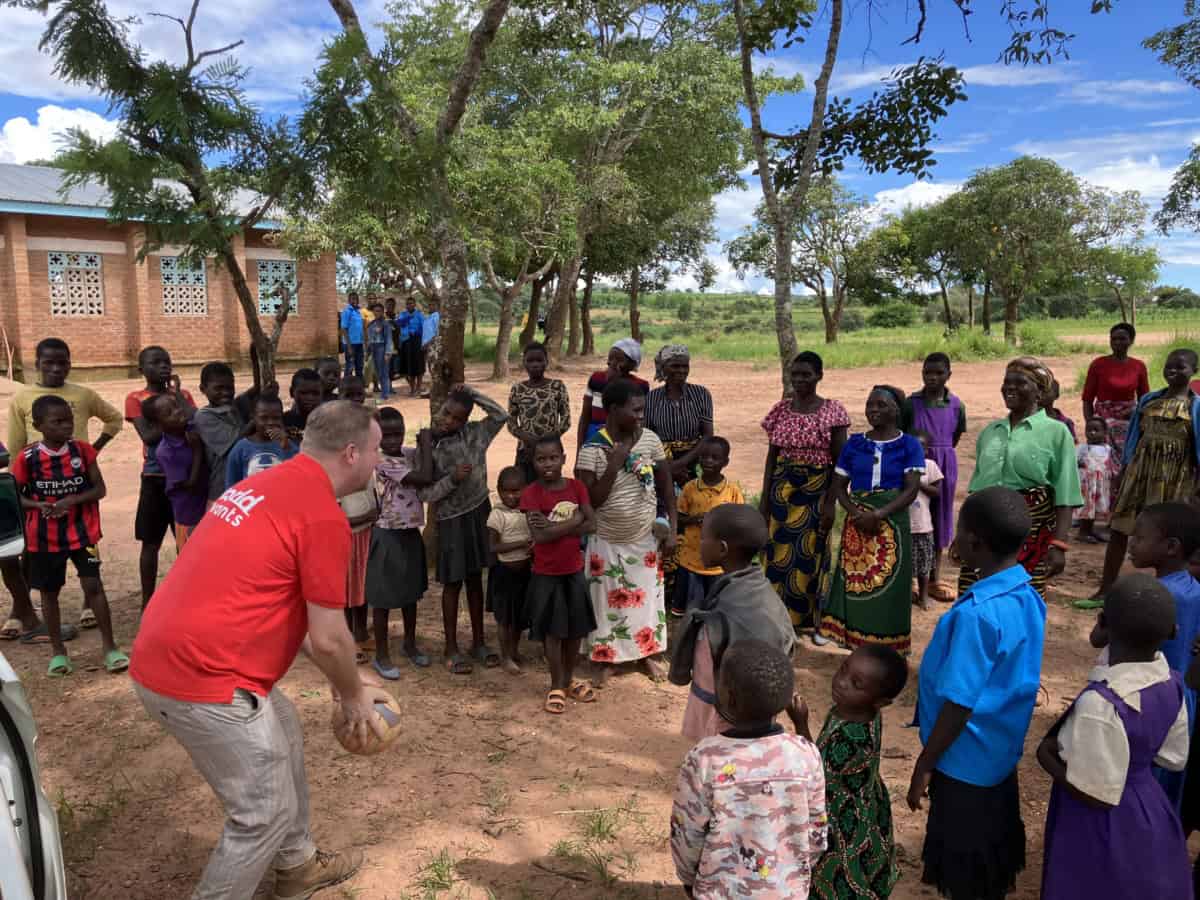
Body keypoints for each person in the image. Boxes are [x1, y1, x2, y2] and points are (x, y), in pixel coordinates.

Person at [130, 401, 385, 900]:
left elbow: (305, 625)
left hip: (164, 659)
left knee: (283, 728)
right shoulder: (320, 516)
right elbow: (332, 636)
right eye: (375, 451)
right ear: (352, 453)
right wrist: (353, 696)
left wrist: (346, 683)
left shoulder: (262, 484)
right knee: (261, 814)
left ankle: (297, 866)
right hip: (202, 679)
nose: (378, 462)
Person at [908, 487, 1045, 900]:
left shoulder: (976, 615)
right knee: (989, 859)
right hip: (998, 756)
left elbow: (960, 702)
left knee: (964, 869)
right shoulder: (1028, 596)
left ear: (972, 542)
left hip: (962, 761)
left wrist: (925, 764)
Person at [1038, 573, 1190, 900]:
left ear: (1103, 623)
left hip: (1102, 822)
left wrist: (1047, 759)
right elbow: (1173, 758)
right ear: (1173, 632)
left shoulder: (1102, 703)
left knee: (1092, 882)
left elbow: (1096, 794)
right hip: (1149, 811)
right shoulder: (1173, 683)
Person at [670, 640, 826, 899]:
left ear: (728, 697)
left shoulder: (705, 759)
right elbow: (817, 831)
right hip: (788, 890)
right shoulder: (805, 754)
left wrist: (688, 878)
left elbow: (687, 832)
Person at [10, 396, 127, 677]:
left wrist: (71, 501)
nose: (66, 426)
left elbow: (99, 490)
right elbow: (16, 495)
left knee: (94, 586)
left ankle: (110, 648)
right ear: (39, 426)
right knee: (50, 593)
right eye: (57, 421)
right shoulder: (27, 458)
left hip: (84, 533)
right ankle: (58, 653)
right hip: (44, 537)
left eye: (69, 420)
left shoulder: (84, 452)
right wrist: (39, 506)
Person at [576, 377, 676, 683]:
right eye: (635, 410)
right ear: (614, 409)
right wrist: (614, 464)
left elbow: (666, 487)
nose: (640, 416)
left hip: (644, 538)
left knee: (644, 600)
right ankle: (606, 659)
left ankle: (645, 655)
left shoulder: (650, 440)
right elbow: (590, 500)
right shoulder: (592, 449)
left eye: (642, 410)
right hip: (606, 540)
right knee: (607, 602)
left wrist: (672, 527)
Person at [789, 645, 909, 899]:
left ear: (880, 701)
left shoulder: (851, 737)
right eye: (844, 670)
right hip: (865, 803)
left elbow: (816, 770)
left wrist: (800, 723)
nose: (842, 683)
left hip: (843, 819)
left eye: (856, 683)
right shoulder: (861, 712)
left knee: (838, 874)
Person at [669, 503, 795, 742]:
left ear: (722, 549)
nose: (699, 543)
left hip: (732, 711)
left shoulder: (734, 608)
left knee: (723, 761)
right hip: (737, 704)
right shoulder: (756, 591)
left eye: (704, 537)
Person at [959, 357, 1081, 600]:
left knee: (1022, 599)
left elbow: (1065, 495)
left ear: (1039, 391)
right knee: (975, 598)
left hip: (1030, 536)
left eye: (1020, 382)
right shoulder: (990, 432)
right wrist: (962, 533)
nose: (1010, 387)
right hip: (983, 532)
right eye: (1006, 382)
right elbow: (977, 488)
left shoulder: (1056, 432)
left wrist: (1059, 546)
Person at [1090, 348, 1200, 605]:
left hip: (1174, 479)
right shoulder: (1149, 400)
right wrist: (1124, 469)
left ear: (1193, 371)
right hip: (1139, 474)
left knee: (1167, 538)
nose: (1173, 371)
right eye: (1169, 366)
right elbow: (1132, 439)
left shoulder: (1195, 407)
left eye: (1181, 367)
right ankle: (1106, 588)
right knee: (1120, 528)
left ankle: (1161, 595)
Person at [819, 386, 923, 653]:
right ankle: (842, 633)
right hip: (858, 516)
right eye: (870, 404)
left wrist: (879, 514)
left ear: (897, 410)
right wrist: (856, 513)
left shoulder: (909, 445)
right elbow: (840, 485)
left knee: (890, 582)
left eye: (881, 405)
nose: (873, 410)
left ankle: (889, 640)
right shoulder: (854, 444)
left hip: (892, 519)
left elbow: (911, 489)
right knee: (852, 577)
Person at [420, 385, 509, 674]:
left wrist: (472, 393)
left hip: (479, 512)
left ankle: (479, 642)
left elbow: (500, 415)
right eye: (446, 413)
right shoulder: (428, 445)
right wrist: (452, 481)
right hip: (451, 520)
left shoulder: (476, 433)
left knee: (474, 579)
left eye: (458, 418)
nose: (449, 421)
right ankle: (451, 647)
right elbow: (425, 494)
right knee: (453, 582)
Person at [760, 351, 851, 631]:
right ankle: (773, 617)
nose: (799, 380)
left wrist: (830, 503)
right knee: (775, 553)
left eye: (806, 375)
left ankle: (805, 620)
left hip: (815, 492)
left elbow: (841, 463)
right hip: (782, 491)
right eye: (795, 374)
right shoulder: (780, 410)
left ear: (819, 376)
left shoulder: (833, 411)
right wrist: (765, 500)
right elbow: (772, 457)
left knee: (809, 556)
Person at [1123, 502, 1200, 812]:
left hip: (1155, 704)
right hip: (1184, 704)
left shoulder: (1158, 595)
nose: (1130, 541)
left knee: (1143, 785)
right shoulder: (1193, 590)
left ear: (1170, 547)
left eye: (1139, 536)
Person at [521, 437, 597, 713]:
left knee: (575, 629)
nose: (548, 464)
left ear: (564, 458)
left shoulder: (577, 487)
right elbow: (539, 536)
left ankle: (567, 680)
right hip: (546, 573)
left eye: (553, 457)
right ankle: (555, 683)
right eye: (541, 459)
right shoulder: (531, 493)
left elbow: (593, 524)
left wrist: (558, 527)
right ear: (534, 463)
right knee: (552, 632)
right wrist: (574, 520)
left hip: (573, 570)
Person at [125, 346, 196, 609]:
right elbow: (150, 437)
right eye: (155, 362)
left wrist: (175, 399)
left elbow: (193, 421)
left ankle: (188, 595)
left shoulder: (182, 395)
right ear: (142, 369)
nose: (164, 366)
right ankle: (148, 600)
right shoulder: (135, 398)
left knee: (186, 540)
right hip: (155, 477)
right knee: (150, 542)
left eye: (166, 361)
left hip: (183, 477)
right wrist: (174, 415)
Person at [366, 408, 433, 677]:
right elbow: (424, 476)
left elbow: (429, 463)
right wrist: (426, 442)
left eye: (398, 433)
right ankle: (381, 655)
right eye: (387, 435)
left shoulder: (406, 454)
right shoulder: (382, 461)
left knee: (410, 594)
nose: (393, 440)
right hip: (387, 533)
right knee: (382, 599)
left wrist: (425, 443)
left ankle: (410, 644)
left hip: (409, 532)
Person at [645, 345, 715, 597]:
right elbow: (647, 437)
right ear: (662, 368)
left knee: (692, 517)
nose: (681, 371)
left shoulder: (700, 394)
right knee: (663, 518)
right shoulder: (651, 398)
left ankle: (686, 588)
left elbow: (708, 436)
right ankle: (663, 585)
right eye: (675, 366)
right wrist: (667, 468)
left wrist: (683, 463)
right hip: (659, 462)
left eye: (685, 366)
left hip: (695, 463)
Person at [902, 352, 966, 602]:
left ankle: (934, 578)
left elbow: (956, 435)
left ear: (949, 375)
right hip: (914, 464)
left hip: (944, 464)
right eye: (928, 372)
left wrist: (941, 455)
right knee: (914, 517)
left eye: (939, 373)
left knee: (939, 519)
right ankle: (910, 579)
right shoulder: (911, 403)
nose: (932, 377)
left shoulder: (956, 404)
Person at [7, 337, 122, 455]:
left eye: (62, 363)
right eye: (49, 363)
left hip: (78, 466)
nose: (56, 368)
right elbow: (15, 443)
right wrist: (14, 471)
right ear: (37, 364)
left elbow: (114, 419)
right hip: (39, 469)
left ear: (69, 365)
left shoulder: (84, 395)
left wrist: (94, 449)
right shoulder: (21, 397)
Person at [671, 437, 745, 617]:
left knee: (716, 606)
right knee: (691, 608)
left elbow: (739, 521)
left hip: (719, 563)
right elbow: (679, 518)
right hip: (691, 558)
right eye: (704, 456)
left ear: (725, 462)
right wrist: (695, 519)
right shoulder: (690, 488)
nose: (708, 461)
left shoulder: (732, 491)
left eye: (714, 457)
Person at [337, 381, 378, 659]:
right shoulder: (334, 443)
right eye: (348, 395)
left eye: (358, 394)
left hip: (367, 526)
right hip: (344, 529)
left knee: (362, 584)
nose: (355, 400)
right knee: (343, 588)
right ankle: (346, 637)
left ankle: (361, 633)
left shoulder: (367, 439)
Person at [142, 393, 207, 553]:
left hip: (206, 504)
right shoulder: (166, 452)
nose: (178, 412)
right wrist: (197, 450)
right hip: (189, 513)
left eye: (176, 406)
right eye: (169, 413)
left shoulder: (190, 428)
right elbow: (189, 484)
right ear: (158, 425)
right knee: (193, 555)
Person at [487, 467, 534, 676]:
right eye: (506, 491)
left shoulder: (527, 512)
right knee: (504, 619)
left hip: (524, 573)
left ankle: (514, 652)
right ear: (499, 490)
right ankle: (505, 656)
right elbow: (494, 547)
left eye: (516, 491)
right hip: (503, 574)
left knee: (518, 618)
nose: (511, 496)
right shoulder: (497, 514)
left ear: (525, 489)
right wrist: (522, 543)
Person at [1081, 322, 1150, 462]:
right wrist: (1091, 425)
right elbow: (1087, 399)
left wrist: (1139, 418)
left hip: (1129, 421)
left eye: (1122, 338)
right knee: (1102, 461)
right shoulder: (1098, 364)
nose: (1117, 342)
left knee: (1128, 461)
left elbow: (1145, 399)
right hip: (1103, 421)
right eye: (1114, 339)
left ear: (1131, 341)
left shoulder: (1138, 366)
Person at [507, 342, 571, 484]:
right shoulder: (517, 389)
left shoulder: (557, 386)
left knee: (551, 486)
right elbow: (510, 422)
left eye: (539, 360)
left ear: (547, 362)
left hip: (551, 450)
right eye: (530, 360)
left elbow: (566, 420)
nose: (535, 364)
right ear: (523, 363)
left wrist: (548, 440)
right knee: (526, 487)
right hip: (526, 450)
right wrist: (527, 438)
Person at [576, 338, 649, 451]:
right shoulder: (596, 379)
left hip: (625, 438)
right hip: (593, 435)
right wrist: (579, 449)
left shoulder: (640, 385)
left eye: (619, 360)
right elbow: (585, 416)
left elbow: (639, 419)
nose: (613, 363)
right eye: (611, 358)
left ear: (632, 364)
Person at [193, 362, 246, 503]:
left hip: (242, 483)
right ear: (203, 389)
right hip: (221, 488)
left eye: (230, 388)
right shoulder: (204, 416)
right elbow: (237, 440)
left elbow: (257, 390)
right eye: (219, 388)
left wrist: (256, 361)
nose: (226, 393)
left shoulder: (233, 405)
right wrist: (256, 422)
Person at [225, 395, 299, 487]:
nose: (270, 422)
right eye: (264, 418)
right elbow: (231, 484)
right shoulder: (241, 448)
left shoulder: (288, 445)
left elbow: (297, 475)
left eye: (276, 418)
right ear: (253, 417)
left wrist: (286, 448)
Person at [911, 429, 945, 610]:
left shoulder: (930, 466)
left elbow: (937, 491)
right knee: (904, 565)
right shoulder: (901, 466)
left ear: (926, 450)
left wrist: (919, 484)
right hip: (904, 525)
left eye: (921, 447)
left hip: (923, 525)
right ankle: (907, 593)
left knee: (924, 565)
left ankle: (924, 595)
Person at [1075, 417, 1118, 543]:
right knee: (1087, 509)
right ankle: (1082, 532)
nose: (1092, 433)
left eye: (1096, 430)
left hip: (1100, 485)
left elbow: (1112, 467)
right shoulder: (1082, 448)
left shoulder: (1108, 449)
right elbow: (1074, 463)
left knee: (1094, 509)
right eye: (1089, 430)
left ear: (1105, 433)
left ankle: (1090, 530)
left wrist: (1113, 484)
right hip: (1086, 485)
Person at [282, 368, 324, 444]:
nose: (310, 398)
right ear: (291, 392)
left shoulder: (327, 422)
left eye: (315, 393)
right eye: (304, 393)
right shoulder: (283, 421)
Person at [395, 296, 427, 397]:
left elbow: (424, 328)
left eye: (411, 303)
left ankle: (419, 387)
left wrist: (424, 342)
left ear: (415, 304)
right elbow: (399, 323)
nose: (410, 305)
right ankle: (412, 388)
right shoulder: (403, 314)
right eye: (408, 303)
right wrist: (407, 318)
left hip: (417, 341)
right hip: (406, 342)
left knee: (419, 366)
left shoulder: (420, 315)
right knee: (410, 367)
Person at [366, 302, 394, 400]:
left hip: (382, 348)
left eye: (379, 311)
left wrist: (388, 352)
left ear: (382, 312)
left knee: (384, 372)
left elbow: (389, 339)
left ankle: (385, 395)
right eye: (375, 311)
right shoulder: (372, 324)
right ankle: (384, 392)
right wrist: (368, 351)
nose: (377, 313)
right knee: (378, 372)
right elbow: (369, 339)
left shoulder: (385, 324)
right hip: (374, 348)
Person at [339, 291, 365, 379]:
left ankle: (359, 389)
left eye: (356, 299)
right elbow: (344, 329)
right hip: (350, 344)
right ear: (349, 300)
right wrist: (349, 346)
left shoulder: (358, 312)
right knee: (350, 367)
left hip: (359, 343)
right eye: (353, 299)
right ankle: (345, 388)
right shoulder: (347, 312)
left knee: (360, 367)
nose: (355, 300)